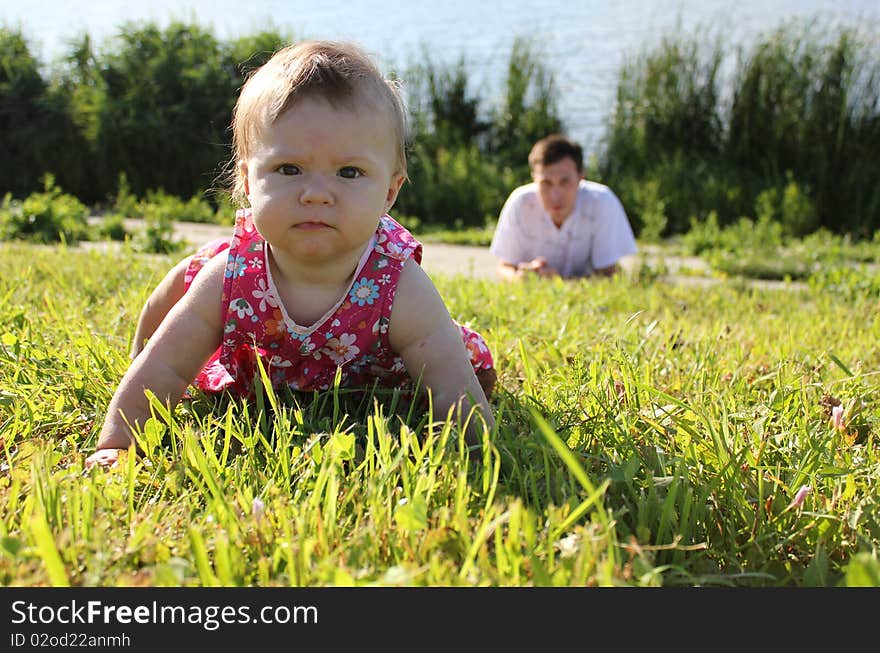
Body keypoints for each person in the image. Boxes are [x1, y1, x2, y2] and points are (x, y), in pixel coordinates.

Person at [86, 40, 496, 468]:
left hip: (368, 380)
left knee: (462, 357)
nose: (316, 194)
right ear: (247, 181)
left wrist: (479, 453)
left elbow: (449, 382)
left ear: (389, 192)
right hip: (261, 364)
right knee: (187, 281)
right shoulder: (232, 275)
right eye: (289, 169)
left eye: (349, 172)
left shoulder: (397, 283)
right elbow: (165, 367)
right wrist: (116, 444)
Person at [489, 134, 637, 280]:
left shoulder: (602, 202)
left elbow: (609, 274)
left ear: (581, 176)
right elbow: (504, 266)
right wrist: (520, 279)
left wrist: (559, 283)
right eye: (546, 183)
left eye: (565, 182)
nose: (555, 196)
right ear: (534, 178)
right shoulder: (520, 202)